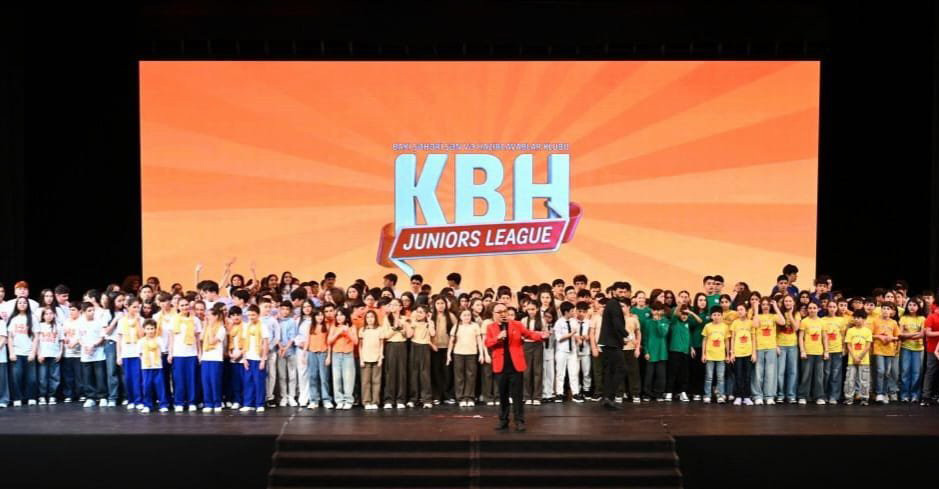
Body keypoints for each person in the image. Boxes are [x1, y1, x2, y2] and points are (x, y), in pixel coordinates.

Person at [485, 302, 549, 432]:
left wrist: (541, 336)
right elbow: (488, 343)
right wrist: (498, 338)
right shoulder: (490, 327)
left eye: (504, 311)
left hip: (515, 365)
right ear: (493, 314)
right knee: (502, 395)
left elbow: (529, 334)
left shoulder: (517, 324)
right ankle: (503, 420)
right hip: (500, 366)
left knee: (517, 395)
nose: (503, 314)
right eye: (499, 312)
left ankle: (519, 421)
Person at [598, 282, 629, 410]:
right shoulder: (614, 304)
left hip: (609, 342)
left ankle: (607, 398)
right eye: (620, 291)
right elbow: (617, 324)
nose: (622, 294)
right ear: (614, 291)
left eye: (624, 292)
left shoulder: (612, 304)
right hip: (611, 343)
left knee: (610, 371)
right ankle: (609, 398)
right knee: (622, 368)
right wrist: (627, 335)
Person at [169, 297, 202, 412]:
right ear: (178, 307)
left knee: (192, 379)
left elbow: (197, 338)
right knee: (179, 379)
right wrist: (170, 353)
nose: (184, 307)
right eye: (182, 305)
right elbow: (171, 338)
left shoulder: (195, 320)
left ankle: (192, 402)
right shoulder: (173, 319)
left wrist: (199, 353)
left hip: (191, 353)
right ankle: (179, 402)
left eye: (186, 304)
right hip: (178, 354)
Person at [447, 309, 484, 407]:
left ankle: (469, 397)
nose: (467, 317)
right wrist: (448, 354)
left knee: (471, 375)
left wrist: (481, 354)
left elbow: (479, 340)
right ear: (460, 316)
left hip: (472, 353)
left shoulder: (475, 326)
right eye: (464, 315)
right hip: (458, 353)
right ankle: (460, 397)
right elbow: (451, 341)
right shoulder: (456, 326)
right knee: (459, 376)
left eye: (468, 315)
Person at [752, 298, 784, 405]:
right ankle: (758, 396)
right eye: (763, 304)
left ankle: (769, 396)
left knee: (770, 373)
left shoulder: (773, 316)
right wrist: (756, 309)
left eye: (767, 304)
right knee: (758, 373)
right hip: (759, 347)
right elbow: (755, 325)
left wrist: (776, 307)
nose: (765, 306)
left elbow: (783, 322)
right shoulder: (758, 316)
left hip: (771, 347)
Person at [380, 298, 409, 409]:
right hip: (391, 345)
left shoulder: (405, 319)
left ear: (400, 307)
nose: (393, 307)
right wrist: (394, 328)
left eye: (396, 305)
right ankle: (389, 399)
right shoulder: (387, 319)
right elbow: (385, 335)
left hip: (402, 345)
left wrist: (401, 328)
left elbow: (408, 335)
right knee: (390, 373)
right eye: (391, 305)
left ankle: (401, 399)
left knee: (402, 373)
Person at [115, 299, 143, 410]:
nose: (136, 309)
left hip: (137, 353)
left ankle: (139, 400)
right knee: (128, 378)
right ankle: (131, 399)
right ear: (128, 307)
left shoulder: (141, 320)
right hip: (126, 353)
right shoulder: (122, 321)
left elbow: (142, 336)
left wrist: (138, 322)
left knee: (137, 378)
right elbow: (119, 339)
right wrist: (119, 355)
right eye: (134, 307)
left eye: (138, 307)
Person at [240, 305, 270, 412]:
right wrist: (244, 358)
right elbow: (244, 343)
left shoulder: (263, 326)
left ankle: (259, 404)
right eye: (249, 315)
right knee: (248, 381)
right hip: (249, 357)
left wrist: (263, 360)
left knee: (259, 382)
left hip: (259, 358)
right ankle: (248, 403)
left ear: (258, 315)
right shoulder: (246, 326)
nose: (251, 317)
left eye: (253, 315)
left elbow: (266, 344)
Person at [328, 307, 359, 410]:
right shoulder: (334, 327)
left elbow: (355, 342)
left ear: (346, 316)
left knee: (348, 378)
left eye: (341, 315)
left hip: (348, 355)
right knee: (337, 378)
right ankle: (339, 401)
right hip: (336, 355)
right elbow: (329, 341)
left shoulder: (352, 326)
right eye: (337, 315)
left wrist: (347, 332)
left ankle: (348, 400)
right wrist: (338, 332)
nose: (339, 317)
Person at [798, 302, 828, 404]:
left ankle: (819, 397)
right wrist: (802, 350)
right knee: (806, 376)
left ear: (818, 309)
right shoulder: (804, 321)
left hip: (819, 352)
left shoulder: (822, 322)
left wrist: (826, 351)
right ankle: (803, 396)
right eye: (810, 308)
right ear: (807, 310)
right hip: (807, 353)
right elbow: (801, 337)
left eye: (814, 308)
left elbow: (824, 337)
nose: (812, 310)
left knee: (819, 377)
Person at [78, 302, 107, 408]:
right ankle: (90, 397)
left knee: (100, 377)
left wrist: (93, 345)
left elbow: (102, 337)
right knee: (87, 377)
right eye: (89, 311)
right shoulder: (80, 323)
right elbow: (79, 338)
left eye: (93, 310)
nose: (92, 312)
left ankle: (102, 397)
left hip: (98, 354)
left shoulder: (98, 322)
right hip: (86, 355)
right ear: (83, 312)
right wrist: (85, 346)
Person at [138, 319, 169, 413]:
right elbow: (140, 354)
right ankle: (148, 405)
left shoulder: (159, 340)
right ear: (144, 330)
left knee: (160, 386)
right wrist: (146, 362)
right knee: (147, 386)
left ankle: (163, 404)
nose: (150, 331)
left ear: (155, 329)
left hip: (157, 367)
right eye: (148, 329)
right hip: (146, 367)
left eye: (152, 328)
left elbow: (163, 352)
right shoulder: (141, 341)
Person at [897, 299, 925, 403]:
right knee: (905, 372)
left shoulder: (922, 318)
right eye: (910, 305)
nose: (912, 307)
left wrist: (907, 335)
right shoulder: (903, 318)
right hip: (905, 348)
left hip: (918, 348)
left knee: (916, 373)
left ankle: (915, 395)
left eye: (914, 305)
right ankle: (904, 395)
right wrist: (915, 334)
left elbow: (922, 334)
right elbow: (900, 334)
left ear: (918, 307)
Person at [200, 306, 227, 412]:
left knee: (215, 381)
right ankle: (208, 403)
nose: (207, 317)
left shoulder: (221, 328)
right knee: (205, 381)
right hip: (206, 357)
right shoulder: (207, 326)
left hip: (216, 358)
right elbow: (201, 337)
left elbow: (212, 341)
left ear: (216, 316)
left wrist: (210, 327)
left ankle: (217, 403)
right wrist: (205, 326)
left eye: (209, 315)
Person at [871, 303, 899, 404]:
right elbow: (870, 334)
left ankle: (885, 392)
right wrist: (879, 337)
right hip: (878, 349)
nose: (886, 310)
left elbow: (897, 336)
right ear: (881, 310)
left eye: (888, 309)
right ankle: (879, 393)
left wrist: (891, 338)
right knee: (880, 371)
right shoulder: (875, 321)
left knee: (887, 372)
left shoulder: (893, 322)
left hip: (890, 350)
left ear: (891, 311)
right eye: (884, 308)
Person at [407, 304, 434, 408]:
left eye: (421, 312)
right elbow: (409, 335)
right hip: (414, 346)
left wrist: (430, 321)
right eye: (417, 312)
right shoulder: (414, 322)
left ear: (426, 314)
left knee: (424, 373)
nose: (418, 314)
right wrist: (412, 323)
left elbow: (432, 334)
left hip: (424, 347)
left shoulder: (429, 323)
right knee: (414, 373)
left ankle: (427, 399)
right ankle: (413, 398)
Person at [553, 302, 581, 402]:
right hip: (562, 351)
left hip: (572, 351)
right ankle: (559, 393)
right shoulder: (559, 323)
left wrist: (578, 339)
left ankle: (575, 393)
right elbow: (559, 338)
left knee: (574, 373)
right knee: (560, 373)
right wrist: (571, 333)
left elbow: (576, 334)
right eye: (572, 311)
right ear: (566, 312)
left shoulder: (574, 321)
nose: (574, 313)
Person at [843, 311, 872, 405]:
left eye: (859, 318)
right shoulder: (850, 331)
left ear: (864, 319)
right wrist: (854, 357)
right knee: (850, 380)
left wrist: (860, 357)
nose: (856, 320)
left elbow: (868, 346)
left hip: (864, 360)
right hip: (852, 360)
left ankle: (864, 398)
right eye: (855, 318)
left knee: (864, 380)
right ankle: (849, 398)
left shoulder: (867, 331)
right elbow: (848, 345)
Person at [822, 301, 848, 404]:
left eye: (834, 307)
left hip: (837, 350)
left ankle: (834, 396)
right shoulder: (822, 320)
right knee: (826, 373)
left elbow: (843, 335)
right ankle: (824, 395)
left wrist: (844, 348)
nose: (832, 309)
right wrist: (825, 350)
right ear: (827, 308)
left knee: (836, 373)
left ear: (837, 308)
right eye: (830, 307)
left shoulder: (841, 320)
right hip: (826, 350)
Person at [728, 304, 755, 406]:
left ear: (746, 311)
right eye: (738, 310)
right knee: (738, 375)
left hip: (748, 353)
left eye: (742, 309)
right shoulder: (735, 323)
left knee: (747, 376)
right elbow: (733, 338)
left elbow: (753, 339)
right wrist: (732, 353)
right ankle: (738, 396)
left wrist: (754, 353)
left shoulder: (750, 323)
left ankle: (747, 397)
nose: (739, 311)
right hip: (737, 353)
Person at [700, 306, 728, 403]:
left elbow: (727, 341)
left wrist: (728, 354)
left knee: (721, 378)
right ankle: (707, 395)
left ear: (722, 316)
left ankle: (720, 395)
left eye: (719, 315)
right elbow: (704, 340)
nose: (716, 317)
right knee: (709, 377)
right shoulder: (707, 326)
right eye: (714, 315)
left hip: (721, 356)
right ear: (711, 316)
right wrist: (703, 354)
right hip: (709, 356)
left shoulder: (725, 327)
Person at [35, 307, 62, 405]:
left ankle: (52, 395)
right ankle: (42, 396)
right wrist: (38, 353)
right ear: (43, 316)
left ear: (54, 315)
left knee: (55, 377)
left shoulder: (57, 326)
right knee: (42, 377)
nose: (49, 316)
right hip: (43, 355)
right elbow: (36, 341)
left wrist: (60, 352)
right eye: (46, 314)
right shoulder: (39, 326)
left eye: (51, 313)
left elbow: (61, 340)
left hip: (54, 355)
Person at [275, 301, 299, 407]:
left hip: (291, 351)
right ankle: (283, 397)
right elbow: (275, 336)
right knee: (282, 376)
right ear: (279, 309)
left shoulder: (292, 321)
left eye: (287, 309)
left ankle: (291, 396)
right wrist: (280, 347)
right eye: (283, 309)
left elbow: (292, 336)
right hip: (279, 351)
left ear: (290, 311)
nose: (285, 311)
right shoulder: (276, 321)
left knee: (292, 375)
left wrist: (286, 348)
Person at [359, 310, 383, 410]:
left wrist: (380, 357)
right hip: (365, 358)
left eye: (372, 317)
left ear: (375, 318)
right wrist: (361, 359)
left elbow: (381, 344)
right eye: (368, 317)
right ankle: (366, 401)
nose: (370, 319)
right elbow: (360, 346)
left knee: (376, 381)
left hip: (376, 358)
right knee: (365, 382)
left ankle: (375, 401)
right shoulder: (362, 330)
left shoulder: (379, 329)